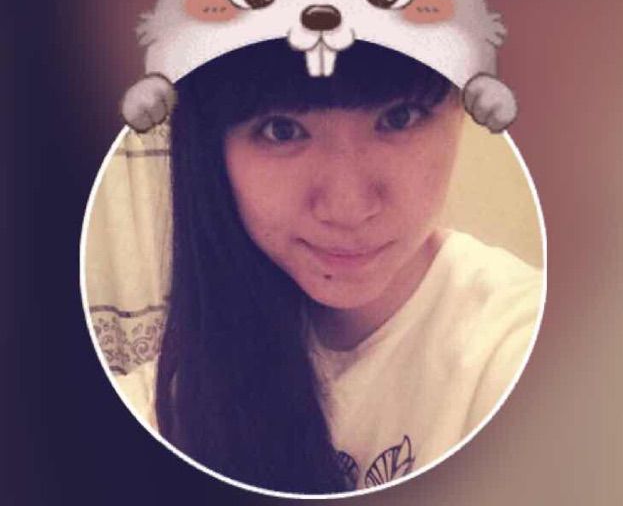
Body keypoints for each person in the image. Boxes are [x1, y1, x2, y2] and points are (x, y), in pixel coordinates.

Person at [115, 39, 542, 495]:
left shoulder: (519, 344)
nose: (346, 209)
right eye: (282, 129)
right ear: (212, 150)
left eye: (399, 117)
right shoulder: (194, 372)